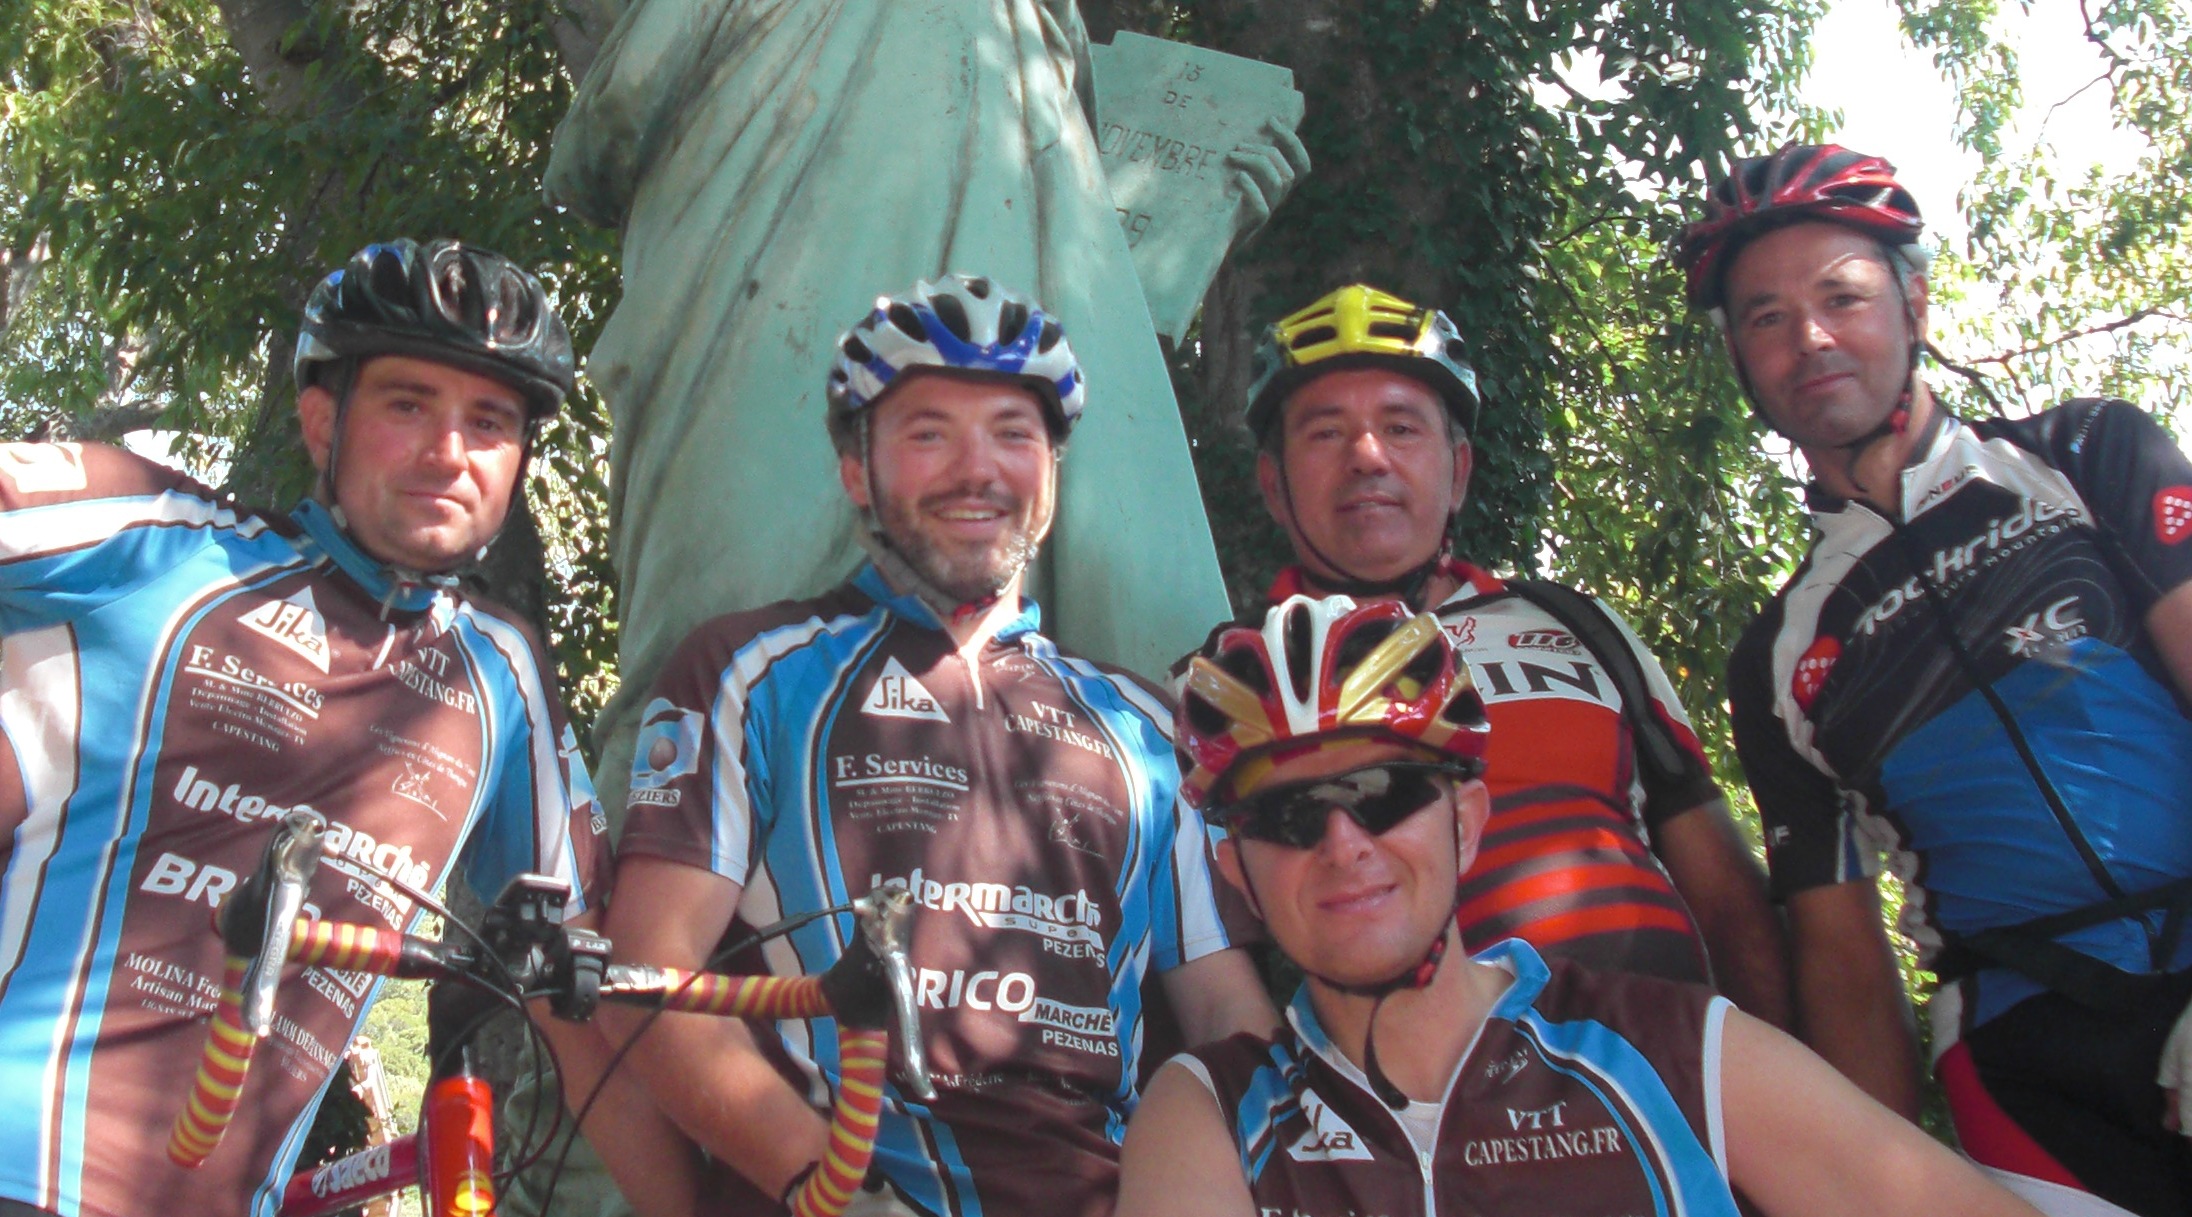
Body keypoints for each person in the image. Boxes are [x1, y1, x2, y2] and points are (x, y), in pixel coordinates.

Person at [598, 274, 1279, 1217]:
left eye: (1012, 433)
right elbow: (644, 976)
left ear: (1052, 471)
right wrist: (832, 1191)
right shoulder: (753, 674)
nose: (977, 469)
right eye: (929, 434)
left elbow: (1227, 1019)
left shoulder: (1143, 726)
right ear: (856, 472)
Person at [0, 240, 615, 1217]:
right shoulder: (165, 545)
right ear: (322, 419)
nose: (448, 452)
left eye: (489, 422)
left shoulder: (500, 675)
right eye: (407, 404)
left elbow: (599, 965)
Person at [1115, 593, 2045, 1217]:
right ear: (1236, 872)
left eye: (1385, 793)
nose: (1343, 842)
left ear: (1465, 823)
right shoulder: (1211, 1111)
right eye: (1287, 815)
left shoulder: (1669, 1051)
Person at [1679, 143, 2192, 1216]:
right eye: (1767, 317)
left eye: (1842, 297)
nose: (1810, 339)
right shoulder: (1776, 655)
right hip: (2021, 1059)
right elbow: (1842, 957)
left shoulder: (2085, 455)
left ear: (1912, 301)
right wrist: (1875, 1169)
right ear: (1736, 356)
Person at [1221, 283, 1790, 1022]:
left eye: (1401, 427)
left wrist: (1778, 1068)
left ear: (1458, 472)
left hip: (1675, 1055)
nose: (1367, 457)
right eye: (1326, 433)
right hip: (1429, 1079)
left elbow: (1728, 899)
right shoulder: (1235, 680)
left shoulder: (1573, 621)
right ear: (1274, 486)